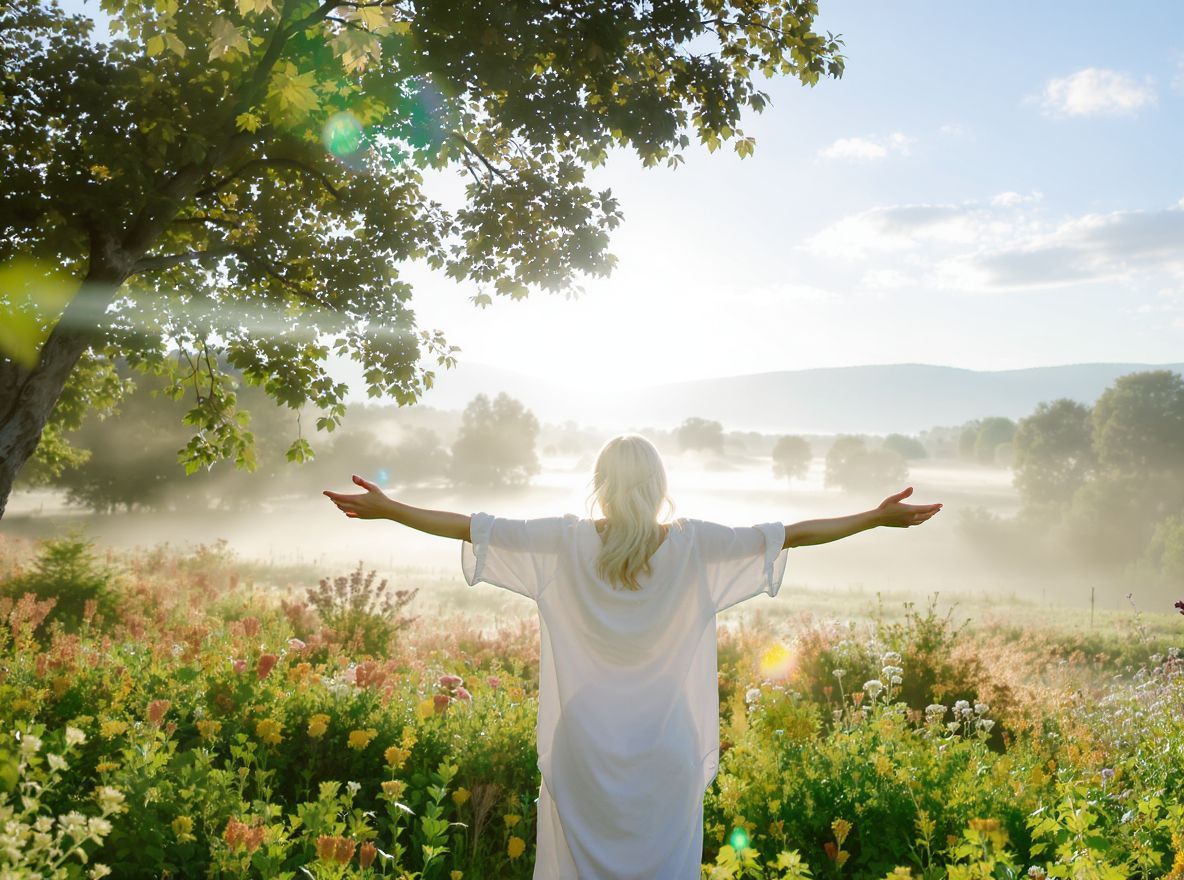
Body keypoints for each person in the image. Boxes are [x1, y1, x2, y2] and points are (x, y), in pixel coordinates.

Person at [323, 433, 942, 879]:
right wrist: (873, 519)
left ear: (602, 486)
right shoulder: (694, 547)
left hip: (585, 747)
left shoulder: (563, 544)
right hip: (664, 747)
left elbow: (471, 526)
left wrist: (390, 509)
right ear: (658, 488)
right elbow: (792, 533)